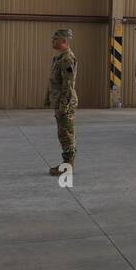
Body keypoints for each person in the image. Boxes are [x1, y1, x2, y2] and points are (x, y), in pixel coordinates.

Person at [47, 28, 78, 174]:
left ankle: (68, 166)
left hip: (65, 103)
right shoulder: (59, 58)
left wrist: (63, 105)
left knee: (66, 133)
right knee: (63, 133)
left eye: (55, 39)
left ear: (64, 41)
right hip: (60, 101)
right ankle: (66, 164)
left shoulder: (67, 59)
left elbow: (68, 84)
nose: (52, 41)